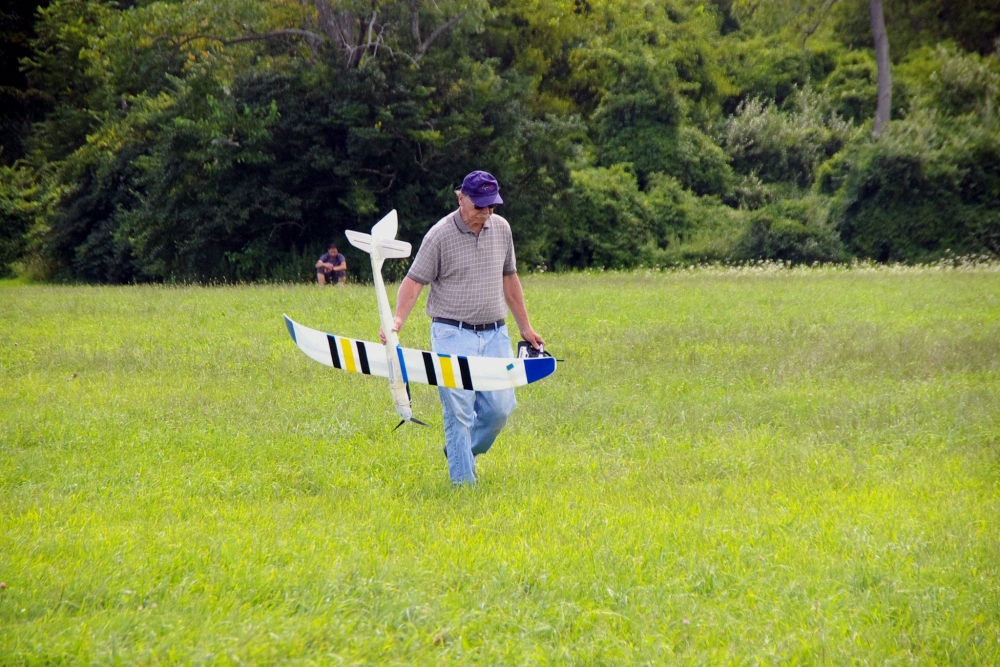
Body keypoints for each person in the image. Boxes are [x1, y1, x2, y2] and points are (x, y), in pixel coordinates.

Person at [379, 170, 544, 484]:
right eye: (479, 205)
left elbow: (510, 278)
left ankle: (459, 451)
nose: (485, 212)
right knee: (459, 413)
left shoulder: (502, 229)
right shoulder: (439, 235)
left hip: (496, 334)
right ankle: (463, 487)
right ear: (461, 198)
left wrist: (525, 327)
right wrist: (397, 321)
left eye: (491, 206)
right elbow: (414, 281)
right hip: (452, 335)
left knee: (501, 409)